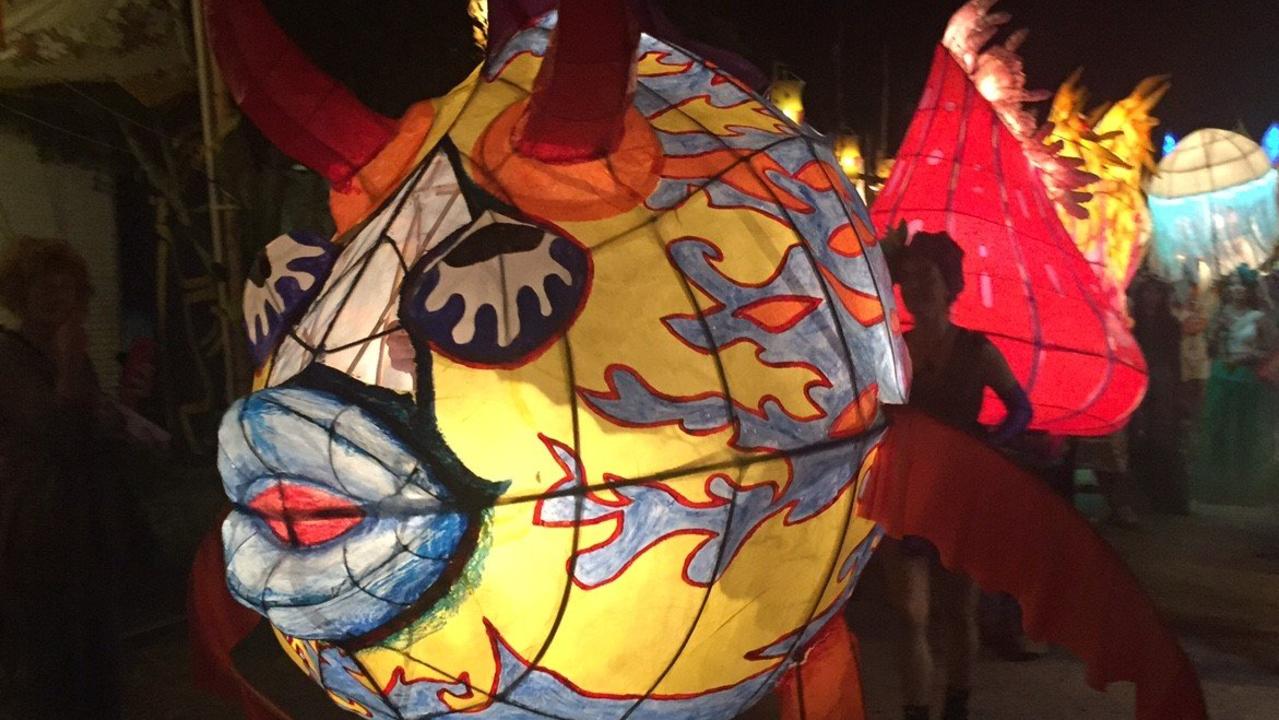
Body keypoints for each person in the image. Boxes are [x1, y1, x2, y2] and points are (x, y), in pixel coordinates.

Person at [881, 230, 1032, 720]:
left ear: (950, 285)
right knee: (910, 614)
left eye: (928, 277)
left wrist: (990, 444)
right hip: (906, 493)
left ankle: (957, 707)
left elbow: (1019, 409)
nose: (917, 288)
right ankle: (916, 713)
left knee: (958, 612)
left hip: (961, 496)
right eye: (909, 278)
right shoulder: (892, 352)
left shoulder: (976, 351)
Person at [0, 237, 123, 718]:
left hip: (84, 520)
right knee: (49, 659)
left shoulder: (71, 355)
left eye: (65, 290)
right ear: (19, 295)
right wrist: (71, 359)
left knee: (95, 648)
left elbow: (91, 425)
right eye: (41, 290)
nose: (55, 299)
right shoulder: (10, 356)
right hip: (35, 525)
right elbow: (59, 429)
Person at [1192, 266, 1278, 507]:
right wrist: (1215, 333)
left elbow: (1271, 350)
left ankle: (1246, 489)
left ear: (1250, 289)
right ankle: (1217, 487)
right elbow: (1209, 348)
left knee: (1244, 432)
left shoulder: (1260, 317)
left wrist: (1250, 355)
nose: (1235, 290)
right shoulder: (1221, 314)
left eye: (1240, 285)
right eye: (1231, 285)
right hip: (1221, 375)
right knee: (1218, 430)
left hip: (1247, 380)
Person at [1129, 277, 1189, 514]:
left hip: (1162, 380)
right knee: (1137, 434)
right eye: (1147, 292)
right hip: (1139, 376)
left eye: (1155, 293)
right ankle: (1141, 493)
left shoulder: (1170, 323)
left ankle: (1163, 496)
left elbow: (1174, 358)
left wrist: (1177, 389)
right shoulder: (1133, 322)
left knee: (1162, 436)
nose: (1150, 298)